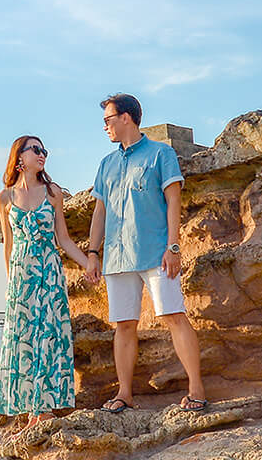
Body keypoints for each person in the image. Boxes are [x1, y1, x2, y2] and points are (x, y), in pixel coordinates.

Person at [82, 93, 207, 412]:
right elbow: (100, 211)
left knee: (173, 316)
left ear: (126, 118)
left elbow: (174, 202)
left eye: (108, 120)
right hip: (115, 256)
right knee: (123, 324)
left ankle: (197, 389)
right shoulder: (106, 164)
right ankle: (124, 393)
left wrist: (174, 247)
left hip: (155, 252)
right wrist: (93, 252)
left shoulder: (160, 154)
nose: (105, 127)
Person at [0, 134, 92, 421]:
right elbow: (8, 245)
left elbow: (63, 239)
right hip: (21, 276)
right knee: (23, 338)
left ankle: (45, 407)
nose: (42, 155)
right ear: (19, 157)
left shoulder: (53, 192)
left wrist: (88, 264)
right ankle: (29, 410)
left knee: (49, 335)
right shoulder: (5, 197)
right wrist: (9, 283)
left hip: (49, 272)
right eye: (36, 150)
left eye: (44, 151)